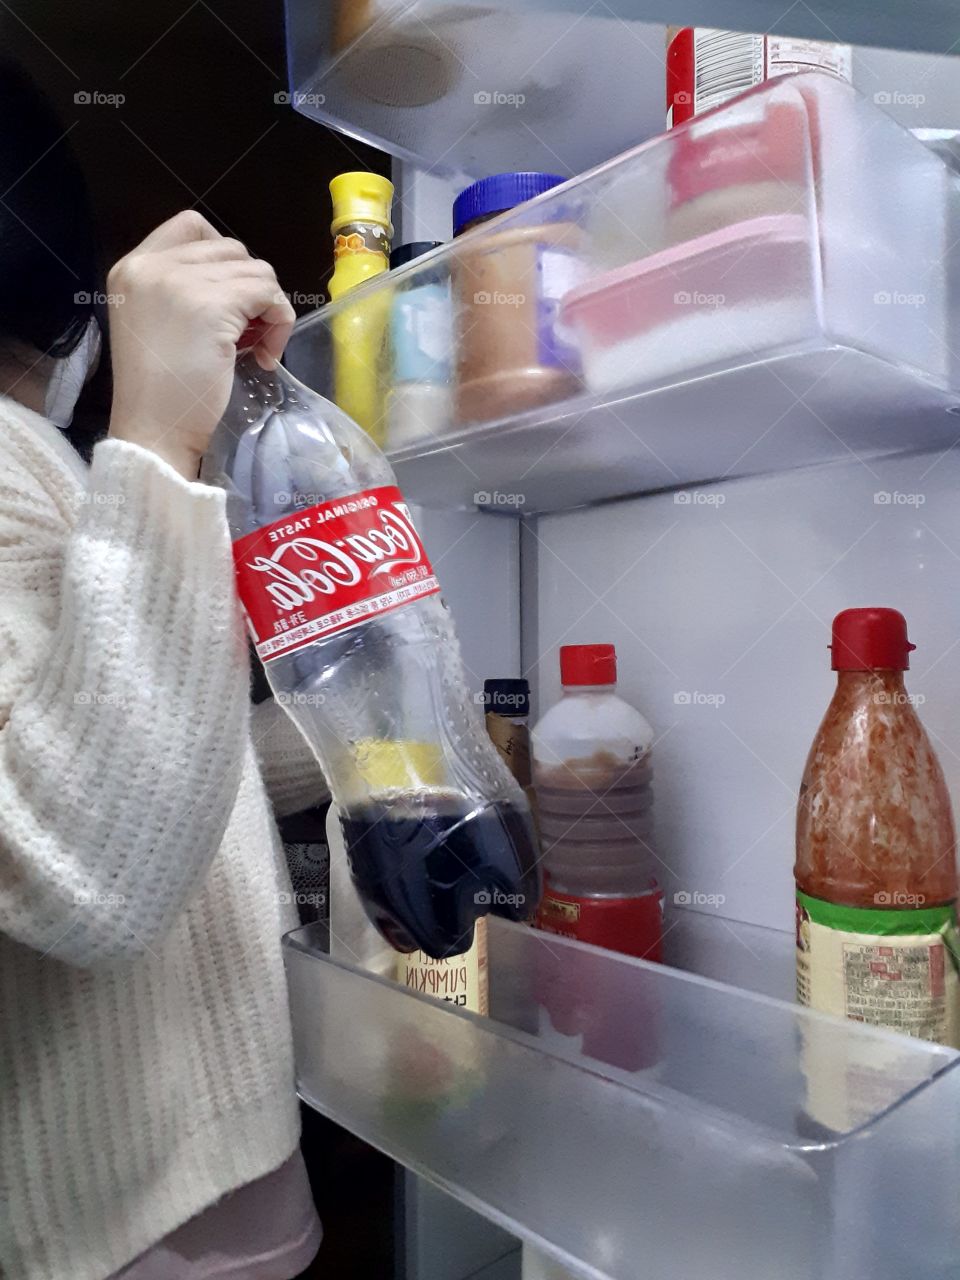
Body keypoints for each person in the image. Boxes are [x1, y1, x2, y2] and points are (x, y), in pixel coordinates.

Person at [0, 60, 329, 1280]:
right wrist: (157, 435)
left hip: (204, 1168)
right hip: (128, 1212)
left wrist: (366, 730)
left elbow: (166, 766)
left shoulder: (39, 458)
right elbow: (88, 865)